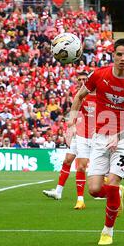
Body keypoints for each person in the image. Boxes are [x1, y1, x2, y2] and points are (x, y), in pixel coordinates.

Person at [65, 38, 124, 245]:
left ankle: (107, 232)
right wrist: (71, 122)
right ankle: (116, 193)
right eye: (118, 54)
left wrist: (118, 136)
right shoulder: (100, 75)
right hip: (99, 138)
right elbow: (79, 96)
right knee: (94, 190)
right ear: (113, 55)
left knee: (111, 182)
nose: (122, 58)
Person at [42, 72, 95, 210]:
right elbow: (75, 115)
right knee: (67, 160)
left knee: (83, 166)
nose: (82, 82)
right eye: (80, 80)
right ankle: (58, 192)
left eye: (84, 79)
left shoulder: (96, 96)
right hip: (79, 134)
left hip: (90, 136)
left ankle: (84, 197)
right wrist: (70, 130)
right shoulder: (78, 97)